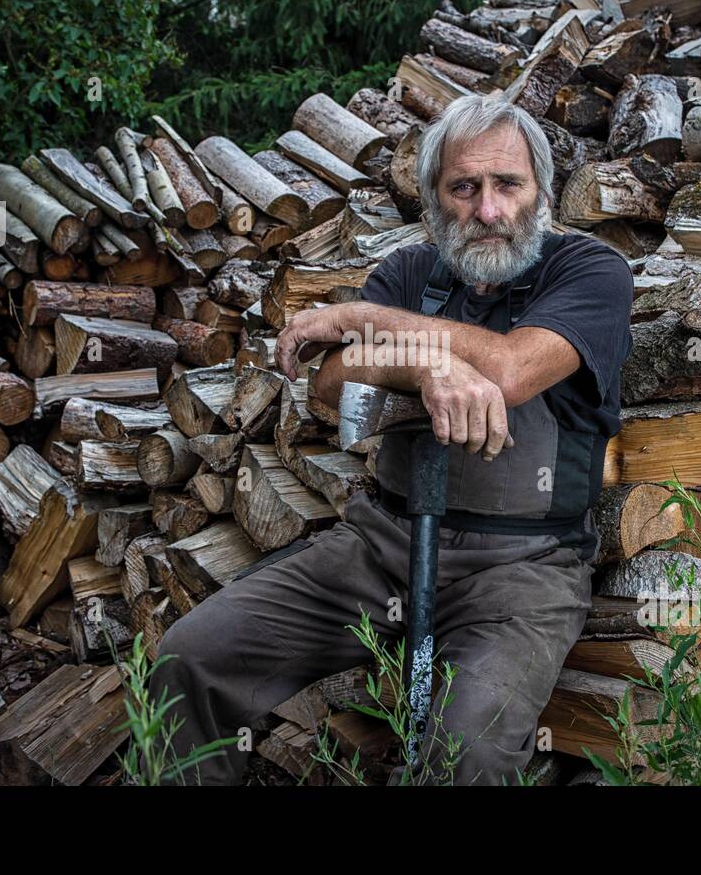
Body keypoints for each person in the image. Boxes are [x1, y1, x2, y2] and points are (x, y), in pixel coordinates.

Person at [148, 93, 634, 785]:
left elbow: (512, 369)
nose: (488, 209)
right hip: (382, 548)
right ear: (435, 200)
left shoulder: (589, 272)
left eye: (507, 185)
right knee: (187, 659)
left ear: (542, 193)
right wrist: (426, 364)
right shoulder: (412, 274)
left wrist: (364, 317)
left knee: (466, 751)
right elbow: (334, 381)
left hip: (523, 572)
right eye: (463, 187)